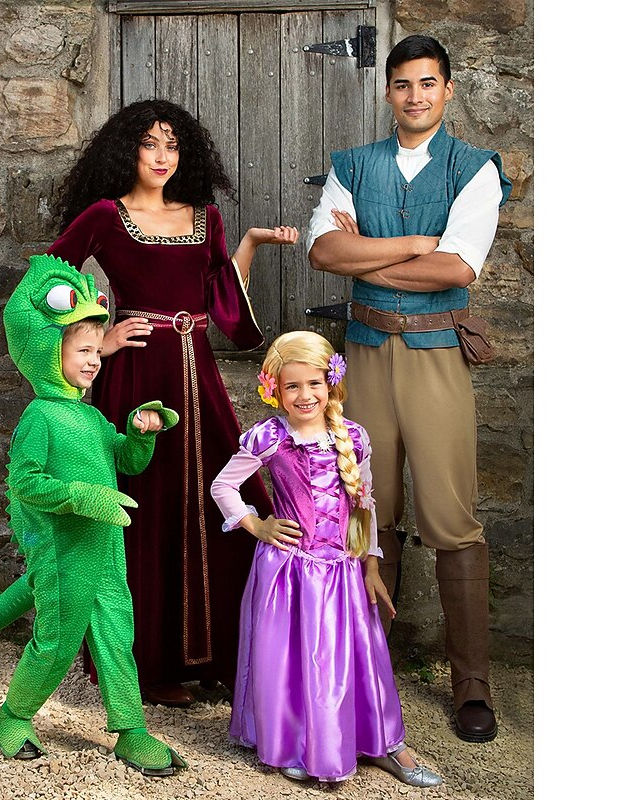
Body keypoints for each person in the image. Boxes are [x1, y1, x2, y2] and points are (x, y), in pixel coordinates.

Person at [45, 99, 299, 707]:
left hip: (198, 374)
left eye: (173, 146)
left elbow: (218, 295)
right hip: (137, 375)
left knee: (219, 491)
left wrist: (251, 243)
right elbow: (46, 285)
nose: (162, 157)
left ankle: (222, 654)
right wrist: (99, 340)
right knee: (148, 503)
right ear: (126, 151)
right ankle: (148, 665)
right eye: (150, 144)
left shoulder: (204, 216)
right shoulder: (106, 216)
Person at [306, 35, 512, 743]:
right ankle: (366, 673)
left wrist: (366, 258)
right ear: (388, 91)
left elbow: (457, 269)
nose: (415, 96)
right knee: (370, 510)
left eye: (428, 83)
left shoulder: (474, 169)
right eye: (402, 84)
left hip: (435, 355)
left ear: (447, 90)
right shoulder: (352, 165)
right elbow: (323, 250)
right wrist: (414, 245)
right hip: (363, 354)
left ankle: (472, 687)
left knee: (452, 517)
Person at [0, 254, 185, 775]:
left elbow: (126, 461)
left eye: (96, 351)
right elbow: (25, 483)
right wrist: (82, 497)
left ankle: (130, 729)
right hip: (62, 553)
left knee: (116, 637)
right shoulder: (40, 416)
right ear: (47, 350)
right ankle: (14, 715)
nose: (94, 360)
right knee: (57, 641)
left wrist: (140, 432)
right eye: (82, 350)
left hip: (105, 549)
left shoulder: (92, 416)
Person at [210, 331, 444, 786]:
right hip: (289, 572)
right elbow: (223, 485)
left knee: (355, 656)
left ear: (330, 381)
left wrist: (371, 564)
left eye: (314, 383)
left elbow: (364, 504)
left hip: (343, 570)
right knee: (293, 660)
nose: (305, 395)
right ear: (274, 388)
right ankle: (293, 741)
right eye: (292, 386)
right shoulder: (269, 437)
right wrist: (256, 525)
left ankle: (381, 741)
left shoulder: (353, 437)